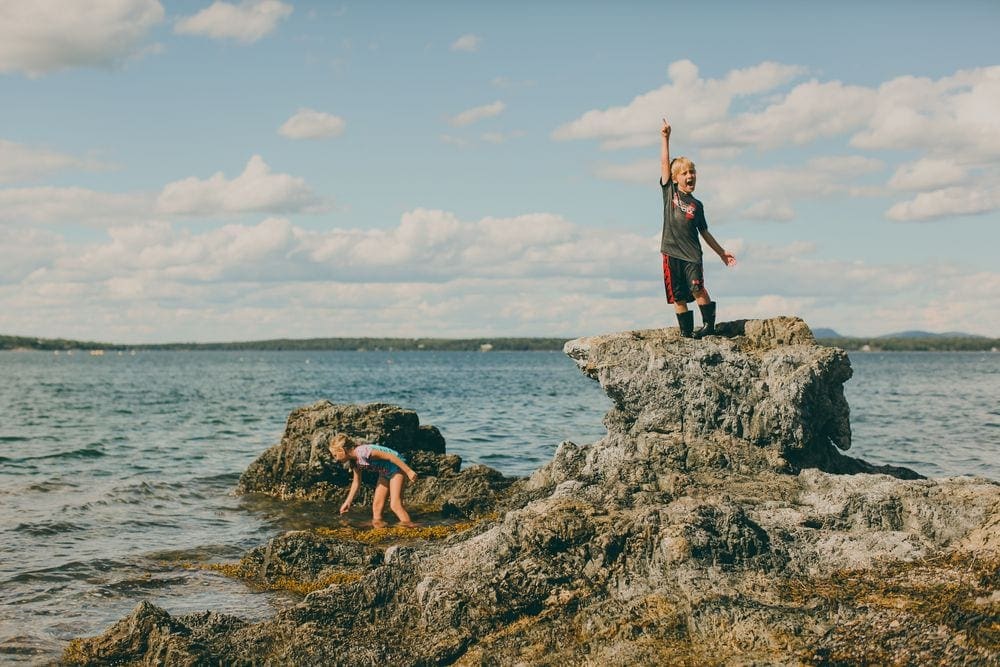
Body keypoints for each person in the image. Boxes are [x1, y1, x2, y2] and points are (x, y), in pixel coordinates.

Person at [659, 117, 736, 338]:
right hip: (671, 252)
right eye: (684, 173)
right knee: (678, 296)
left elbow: (704, 232)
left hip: (692, 255)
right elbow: (665, 163)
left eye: (692, 172)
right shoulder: (670, 193)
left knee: (697, 288)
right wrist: (665, 138)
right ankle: (686, 332)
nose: (689, 176)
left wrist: (722, 252)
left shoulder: (697, 205)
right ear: (675, 179)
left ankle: (709, 326)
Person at [328, 433, 418, 527]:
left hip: (397, 468)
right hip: (385, 472)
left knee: (395, 505)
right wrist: (348, 502)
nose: (335, 459)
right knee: (376, 507)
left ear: (342, 450)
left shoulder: (363, 452)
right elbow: (356, 482)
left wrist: (408, 471)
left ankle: (410, 527)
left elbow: (391, 457)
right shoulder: (354, 461)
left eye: (335, 455)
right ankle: (379, 528)